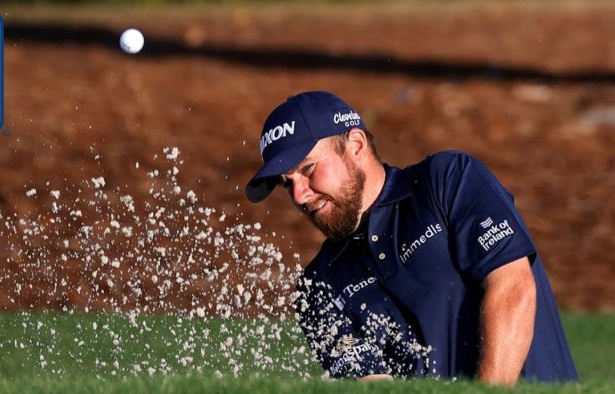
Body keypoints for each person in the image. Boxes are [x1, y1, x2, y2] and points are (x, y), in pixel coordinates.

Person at [245, 91, 578, 385]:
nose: (299, 195)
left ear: (356, 146)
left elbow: (513, 287)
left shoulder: (447, 181)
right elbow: (371, 383)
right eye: (287, 184)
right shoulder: (319, 286)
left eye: (307, 170)